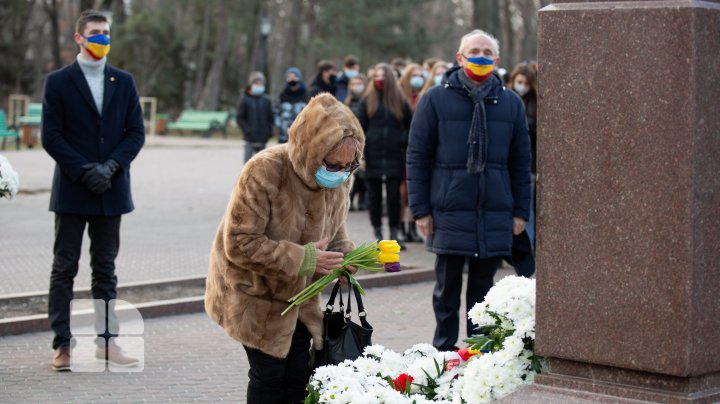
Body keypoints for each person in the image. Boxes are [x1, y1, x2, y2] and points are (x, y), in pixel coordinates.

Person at [205, 93, 364, 403]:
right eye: (334, 164)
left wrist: (345, 259)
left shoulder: (341, 178)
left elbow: (336, 232)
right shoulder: (265, 170)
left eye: (350, 166)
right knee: (270, 375)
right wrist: (303, 259)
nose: (342, 173)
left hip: (299, 299)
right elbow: (239, 243)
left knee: (299, 375)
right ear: (313, 152)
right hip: (253, 294)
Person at [407, 30, 532, 351]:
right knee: (446, 291)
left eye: (487, 52)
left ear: (497, 60)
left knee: (483, 294)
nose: (480, 57)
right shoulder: (434, 99)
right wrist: (420, 210)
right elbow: (417, 157)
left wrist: (520, 211)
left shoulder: (511, 103)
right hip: (448, 209)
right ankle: (444, 354)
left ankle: (477, 354)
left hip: (494, 210)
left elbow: (521, 162)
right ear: (460, 58)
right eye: (473, 51)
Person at [41, 9, 145, 371]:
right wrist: (85, 171)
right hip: (72, 190)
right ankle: (62, 344)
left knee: (105, 269)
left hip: (111, 190)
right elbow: (51, 135)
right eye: (95, 33)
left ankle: (105, 342)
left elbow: (135, 132)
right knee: (64, 268)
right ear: (79, 38)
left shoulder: (124, 81)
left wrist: (112, 167)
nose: (102, 38)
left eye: (106, 32)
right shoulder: (58, 82)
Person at [358, 63, 412, 248]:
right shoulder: (367, 100)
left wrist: (400, 140)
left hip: (394, 156)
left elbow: (411, 127)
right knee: (374, 197)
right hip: (372, 155)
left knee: (393, 197)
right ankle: (378, 232)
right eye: (377, 74)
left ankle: (394, 232)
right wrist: (361, 155)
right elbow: (359, 129)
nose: (380, 78)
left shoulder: (399, 101)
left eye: (383, 74)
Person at [506, 61, 539, 277]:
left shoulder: (536, 105)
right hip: (509, 166)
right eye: (518, 82)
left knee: (526, 214)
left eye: (525, 83)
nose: (521, 86)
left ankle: (528, 251)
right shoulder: (507, 101)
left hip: (530, 166)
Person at [237, 71, 274, 163]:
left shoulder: (266, 100)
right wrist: (247, 131)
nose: (259, 85)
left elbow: (270, 118)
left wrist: (268, 132)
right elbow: (240, 118)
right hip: (249, 139)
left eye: (261, 83)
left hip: (262, 139)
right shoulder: (244, 99)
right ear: (251, 84)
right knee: (247, 165)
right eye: (256, 83)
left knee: (262, 166)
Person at [345, 74, 368, 211]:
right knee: (352, 172)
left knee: (362, 173)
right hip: (350, 141)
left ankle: (362, 199)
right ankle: (351, 198)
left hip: (365, 140)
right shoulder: (346, 103)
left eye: (359, 83)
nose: (356, 86)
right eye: (353, 84)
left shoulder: (367, 101)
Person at [275, 67, 308, 144]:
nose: (292, 80)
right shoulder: (282, 95)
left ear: (299, 78)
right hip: (283, 137)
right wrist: (281, 125)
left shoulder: (306, 95)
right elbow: (276, 112)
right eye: (289, 77)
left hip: (301, 138)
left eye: (294, 77)